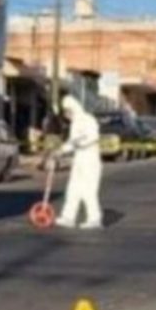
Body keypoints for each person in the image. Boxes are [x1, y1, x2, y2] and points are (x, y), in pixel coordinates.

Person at [52, 95, 103, 229]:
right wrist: (61, 151)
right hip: (79, 159)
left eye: (67, 111)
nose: (66, 115)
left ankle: (94, 218)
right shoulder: (74, 124)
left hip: (90, 159)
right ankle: (68, 217)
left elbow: (93, 137)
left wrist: (78, 142)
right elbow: (71, 143)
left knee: (88, 190)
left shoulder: (88, 119)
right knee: (73, 188)